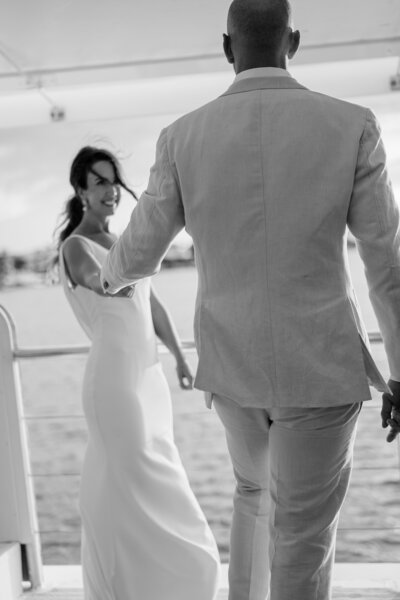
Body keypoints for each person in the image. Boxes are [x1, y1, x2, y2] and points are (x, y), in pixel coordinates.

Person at [100, 0, 400, 598]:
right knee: (303, 537)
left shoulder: (182, 136)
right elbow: (386, 266)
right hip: (321, 368)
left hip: (233, 369)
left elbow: (136, 253)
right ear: (292, 41)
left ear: (226, 47)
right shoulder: (353, 124)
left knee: (251, 498)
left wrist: (109, 281)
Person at [55, 146, 220, 600]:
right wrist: (113, 282)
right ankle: (125, 585)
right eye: (99, 183)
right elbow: (95, 279)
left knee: (158, 473)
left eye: (113, 181)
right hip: (113, 384)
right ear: (81, 192)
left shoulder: (125, 241)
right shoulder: (75, 245)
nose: (110, 191)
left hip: (148, 381)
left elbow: (154, 305)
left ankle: (166, 585)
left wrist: (181, 358)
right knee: (128, 480)